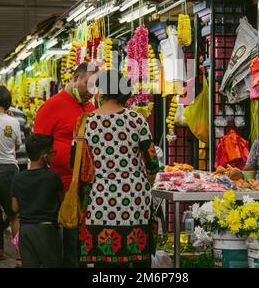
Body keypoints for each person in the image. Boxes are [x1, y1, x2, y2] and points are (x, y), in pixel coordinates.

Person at [79, 70, 159, 268]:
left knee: (105, 261)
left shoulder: (84, 123)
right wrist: (145, 183)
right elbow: (152, 163)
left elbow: (79, 163)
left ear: (100, 92)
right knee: (138, 258)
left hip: (100, 197)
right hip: (134, 196)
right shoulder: (137, 120)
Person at [33, 62, 97, 268]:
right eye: (87, 84)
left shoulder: (90, 107)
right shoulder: (50, 107)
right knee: (60, 247)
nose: (91, 91)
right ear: (75, 78)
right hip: (58, 189)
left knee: (78, 247)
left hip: (85, 189)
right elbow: (37, 148)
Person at [12, 134, 64, 268]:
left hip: (26, 231)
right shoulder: (53, 177)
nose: (53, 155)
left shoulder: (18, 178)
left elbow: (14, 207)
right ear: (44, 155)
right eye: (52, 152)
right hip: (47, 230)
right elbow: (61, 200)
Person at [0, 85, 21, 266]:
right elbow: (17, 146)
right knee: (14, 216)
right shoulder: (14, 121)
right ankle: (20, 257)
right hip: (9, 170)